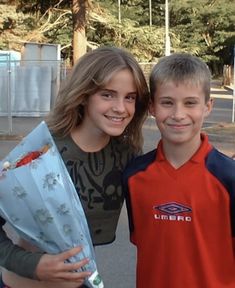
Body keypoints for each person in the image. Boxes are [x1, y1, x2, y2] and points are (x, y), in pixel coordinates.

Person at [0, 46, 150, 288]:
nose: (121, 108)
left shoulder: (129, 156)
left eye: (130, 97)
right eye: (107, 95)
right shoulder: (42, 149)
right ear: (83, 95)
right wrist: (32, 264)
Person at [123, 53, 235, 288]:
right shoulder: (134, 176)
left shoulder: (228, 177)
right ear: (152, 106)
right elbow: (143, 241)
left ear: (208, 107)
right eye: (167, 102)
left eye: (190, 103)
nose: (178, 114)